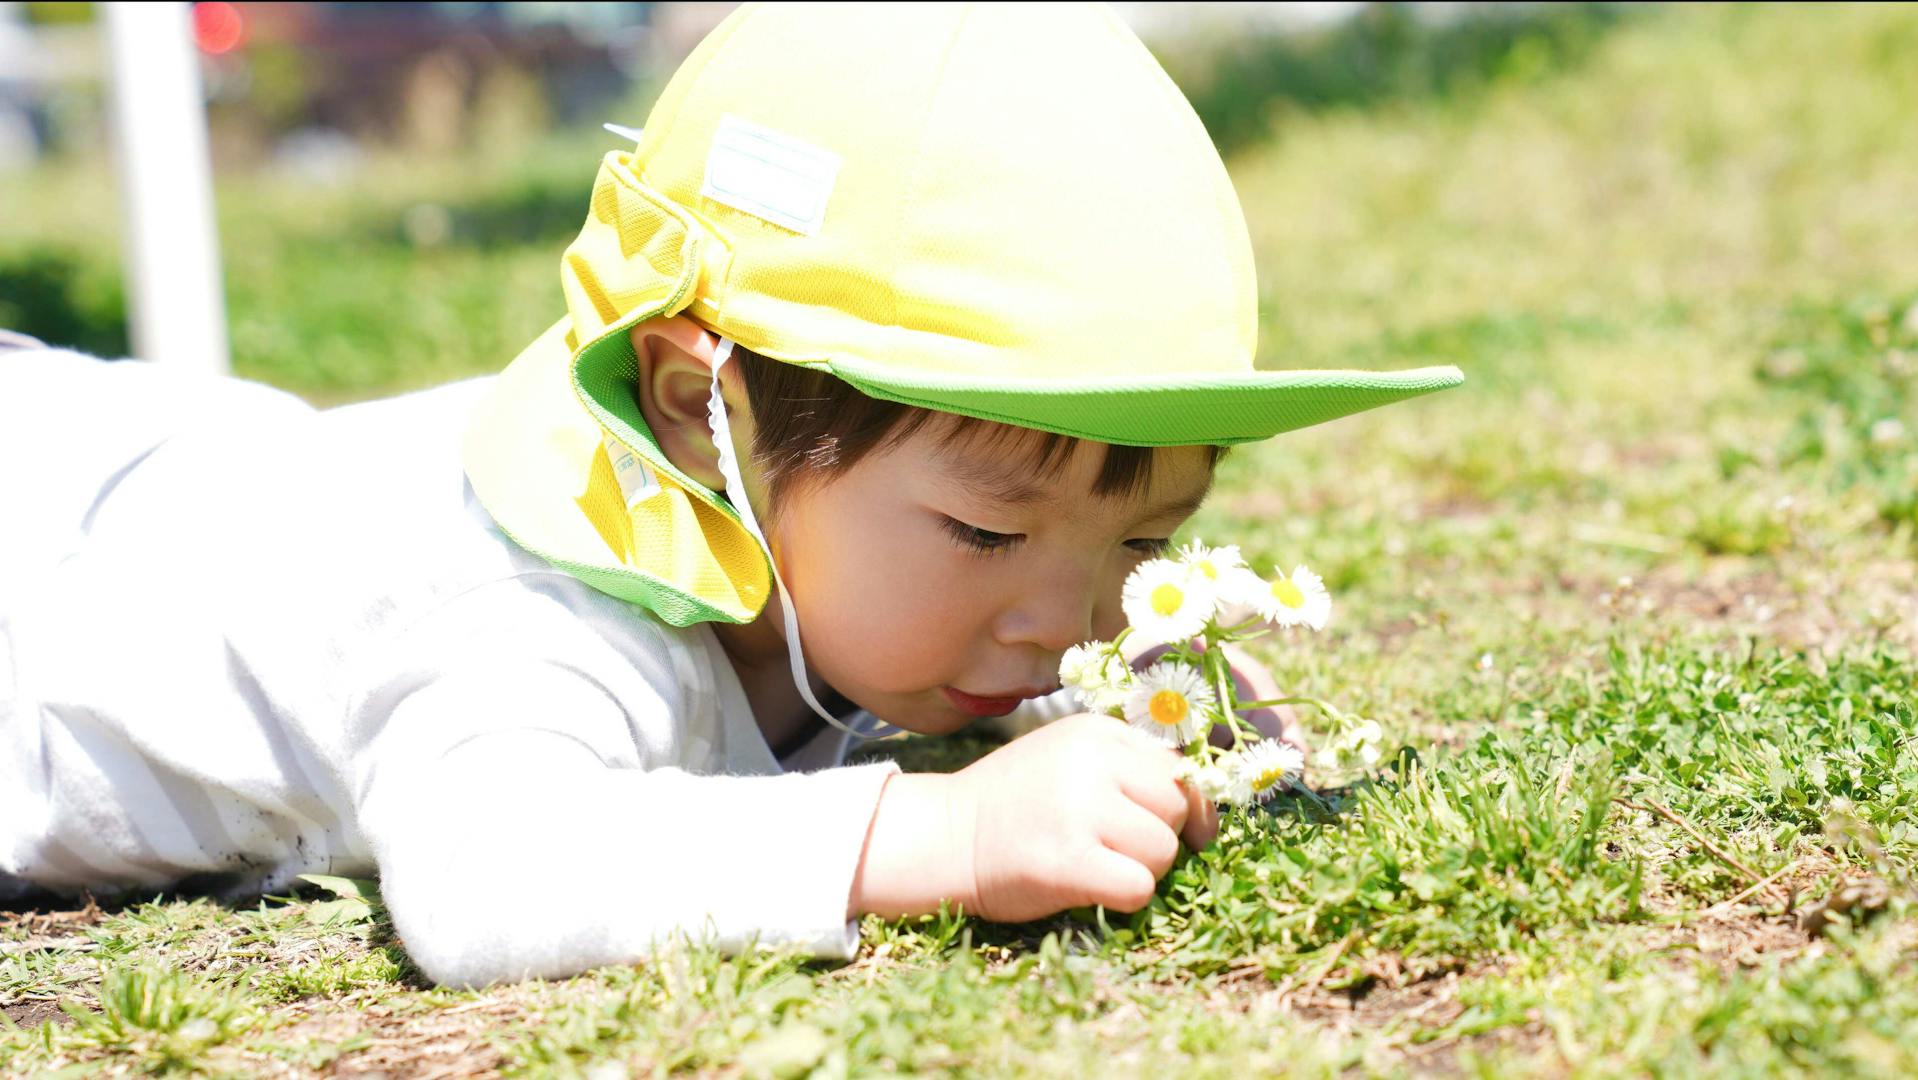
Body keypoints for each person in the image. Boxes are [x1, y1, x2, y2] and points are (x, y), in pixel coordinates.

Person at [0, 3, 1461, 988]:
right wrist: (934, 837)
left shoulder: (819, 553)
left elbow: (992, 605)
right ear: (698, 406)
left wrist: (1124, 676)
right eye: (989, 533)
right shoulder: (527, 611)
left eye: (1140, 538)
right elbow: (494, 876)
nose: (1057, 614)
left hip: (177, 473)